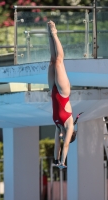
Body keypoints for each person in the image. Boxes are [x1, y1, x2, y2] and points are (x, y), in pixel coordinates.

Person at [47, 20, 75, 169]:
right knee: (58, 61)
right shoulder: (69, 125)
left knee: (51, 62)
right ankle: (55, 33)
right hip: (63, 92)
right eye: (65, 138)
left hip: (52, 89)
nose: (62, 137)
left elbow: (56, 145)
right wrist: (63, 162)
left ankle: (49, 35)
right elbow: (64, 147)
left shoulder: (58, 127)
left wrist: (56, 161)